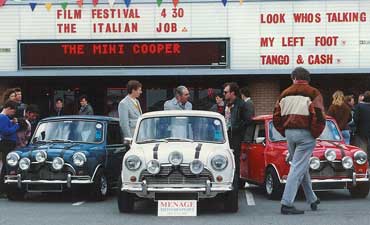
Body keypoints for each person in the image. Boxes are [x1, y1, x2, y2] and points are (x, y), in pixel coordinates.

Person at [273, 67, 324, 215]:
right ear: (308, 78)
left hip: (289, 133)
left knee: (300, 166)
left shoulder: (284, 94)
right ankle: (286, 203)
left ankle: (312, 198)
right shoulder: (313, 93)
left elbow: (276, 116)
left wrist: (284, 131)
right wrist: (314, 133)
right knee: (298, 167)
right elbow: (319, 116)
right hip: (306, 133)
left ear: (293, 78)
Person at [223, 82, 250, 182]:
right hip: (226, 135)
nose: (224, 94)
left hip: (236, 135)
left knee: (235, 158)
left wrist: (236, 128)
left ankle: (236, 181)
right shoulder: (226, 104)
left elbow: (247, 120)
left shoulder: (241, 105)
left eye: (226, 92)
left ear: (232, 93)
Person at [0, 100, 20, 192]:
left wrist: (11, 122)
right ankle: (3, 188)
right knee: (6, 166)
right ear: (8, 108)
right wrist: (16, 126)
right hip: (7, 144)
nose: (13, 113)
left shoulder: (5, 118)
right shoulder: (3, 117)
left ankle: (3, 189)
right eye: (13, 111)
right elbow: (5, 131)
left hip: (8, 143)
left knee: (7, 165)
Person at [353, 91, 370, 160]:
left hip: (361, 132)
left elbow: (355, 119)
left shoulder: (359, 106)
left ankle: (363, 166)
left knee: (362, 151)